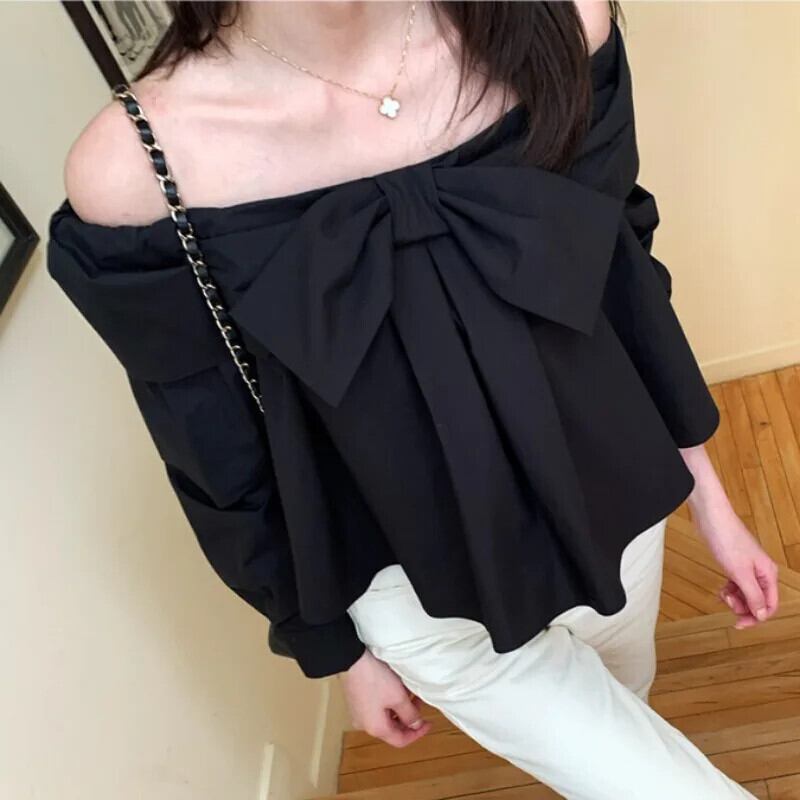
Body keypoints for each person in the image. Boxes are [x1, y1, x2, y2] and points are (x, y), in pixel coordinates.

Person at [47, 2, 776, 797]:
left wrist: (708, 496)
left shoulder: (558, 20)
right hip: (415, 593)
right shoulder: (133, 171)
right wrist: (335, 650)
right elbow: (217, 460)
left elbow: (625, 280)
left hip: (615, 509)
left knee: (628, 710)